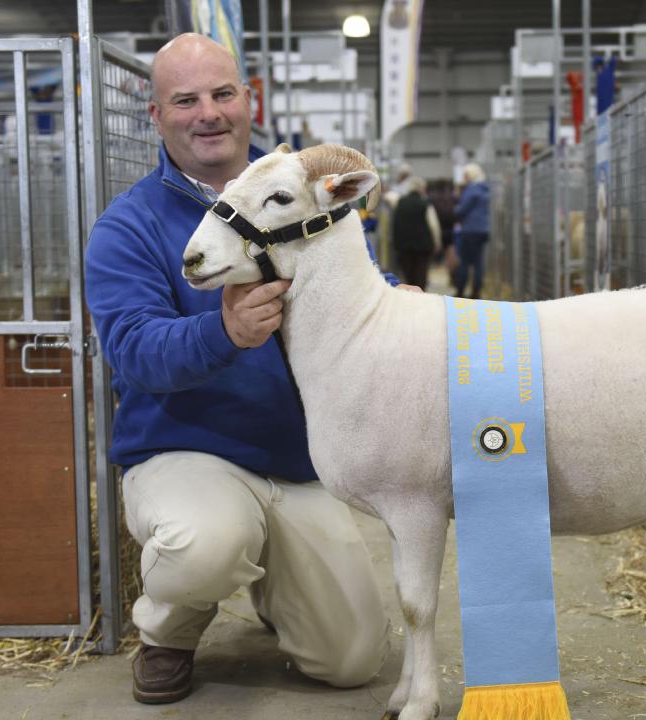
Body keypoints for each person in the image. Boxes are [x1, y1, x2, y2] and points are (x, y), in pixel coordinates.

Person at [83, 33, 392, 706]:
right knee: (207, 543)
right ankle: (170, 629)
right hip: (187, 452)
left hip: (297, 458)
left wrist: (396, 306)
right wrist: (221, 331)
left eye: (223, 94)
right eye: (185, 100)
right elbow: (132, 347)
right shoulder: (127, 228)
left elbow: (351, 276)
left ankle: (277, 588)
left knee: (352, 660)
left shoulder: (301, 189)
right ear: (157, 115)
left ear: (248, 100)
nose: (208, 113)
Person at [390, 177, 441, 289]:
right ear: (422, 188)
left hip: (403, 245)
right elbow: (433, 225)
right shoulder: (425, 203)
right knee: (421, 274)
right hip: (423, 245)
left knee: (409, 275)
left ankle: (410, 298)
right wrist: (437, 242)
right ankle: (421, 298)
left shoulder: (400, 202)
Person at [453, 163, 491, 298]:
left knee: (464, 262)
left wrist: (455, 209)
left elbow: (462, 209)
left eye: (466, 175)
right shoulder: (485, 189)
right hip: (482, 230)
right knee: (478, 262)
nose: (464, 178)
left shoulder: (472, 189)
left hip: (470, 230)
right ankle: (476, 290)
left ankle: (460, 290)